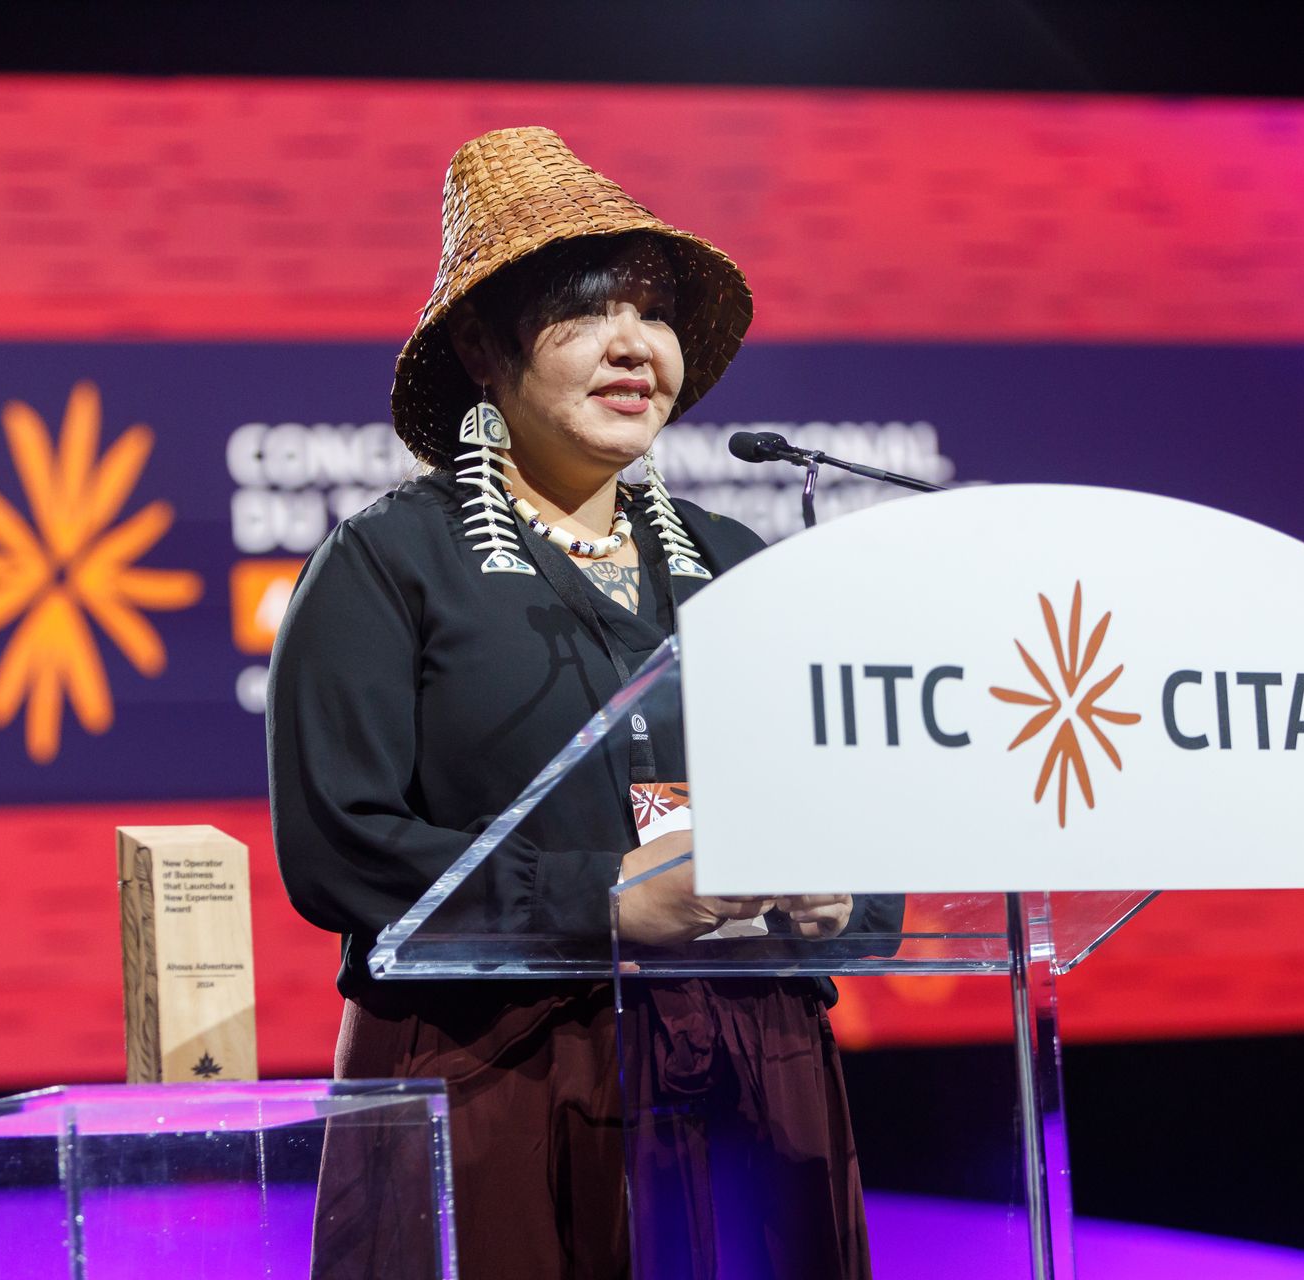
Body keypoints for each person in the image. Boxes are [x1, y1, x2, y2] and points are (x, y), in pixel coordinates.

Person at [268, 126, 872, 1280]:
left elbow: (839, 799)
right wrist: (606, 898)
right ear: (486, 352)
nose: (635, 343)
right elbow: (341, 847)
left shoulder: (740, 564)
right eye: (588, 310)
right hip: (498, 1070)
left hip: (753, 1062)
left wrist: (841, 887)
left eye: (653, 311)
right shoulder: (389, 562)